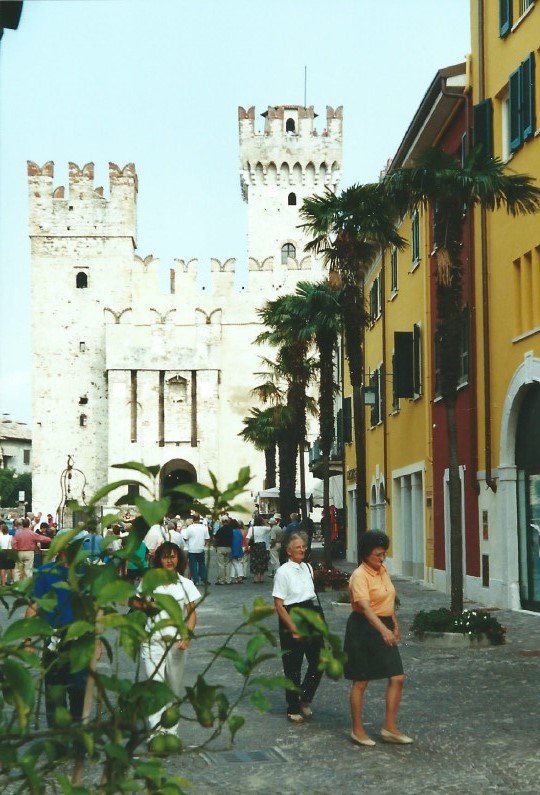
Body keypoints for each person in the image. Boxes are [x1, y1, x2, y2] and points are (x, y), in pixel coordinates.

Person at [344, 530, 412, 747]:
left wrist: (394, 623)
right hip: (363, 629)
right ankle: (357, 730)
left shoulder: (382, 571)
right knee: (361, 681)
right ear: (365, 554)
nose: (382, 559)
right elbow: (364, 607)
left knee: (397, 677)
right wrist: (383, 631)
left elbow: (388, 597)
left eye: (384, 554)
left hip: (384, 624)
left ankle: (389, 727)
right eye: (377, 555)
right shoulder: (359, 576)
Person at [25, 546, 101, 728]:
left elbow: (94, 610)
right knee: (53, 692)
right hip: (54, 642)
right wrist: (27, 639)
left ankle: (77, 737)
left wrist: (97, 641)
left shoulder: (85, 573)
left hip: (80, 641)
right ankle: (57, 740)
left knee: (80, 691)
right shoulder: (45, 572)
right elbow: (34, 606)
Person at [133, 542, 200, 737]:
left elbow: (192, 614)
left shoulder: (186, 584)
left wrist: (187, 636)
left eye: (173, 556)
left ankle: (171, 732)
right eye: (165, 557)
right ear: (159, 560)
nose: (169, 561)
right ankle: (155, 734)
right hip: (152, 640)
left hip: (176, 642)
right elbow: (137, 602)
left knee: (173, 687)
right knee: (155, 686)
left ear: (178, 559)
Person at [272, 532, 324, 723]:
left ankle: (304, 697)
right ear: (288, 551)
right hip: (291, 615)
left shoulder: (307, 567)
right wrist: (293, 628)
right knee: (293, 665)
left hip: (310, 613)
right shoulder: (283, 572)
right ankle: (292, 707)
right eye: (298, 547)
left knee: (319, 660)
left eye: (304, 546)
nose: (303, 550)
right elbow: (278, 604)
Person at [182, 513, 209, 585]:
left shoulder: (190, 527)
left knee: (193, 565)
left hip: (192, 549)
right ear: (199, 518)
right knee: (202, 564)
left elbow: (185, 538)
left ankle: (196, 579)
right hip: (200, 548)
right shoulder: (204, 527)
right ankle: (203, 578)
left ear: (193, 519)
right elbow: (207, 539)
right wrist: (203, 544)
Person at [248, 514, 270, 583]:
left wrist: (248, 546)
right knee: (262, 560)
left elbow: (248, 538)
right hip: (262, 545)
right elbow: (269, 527)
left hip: (254, 545)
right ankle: (261, 577)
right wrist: (264, 522)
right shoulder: (264, 528)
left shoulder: (252, 529)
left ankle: (256, 577)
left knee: (255, 561)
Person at [213, 515, 233, 585]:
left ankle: (222, 580)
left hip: (221, 547)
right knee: (228, 564)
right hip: (229, 548)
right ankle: (228, 579)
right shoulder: (231, 530)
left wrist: (215, 545)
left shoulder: (220, 530)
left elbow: (215, 538)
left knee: (221, 565)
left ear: (222, 522)